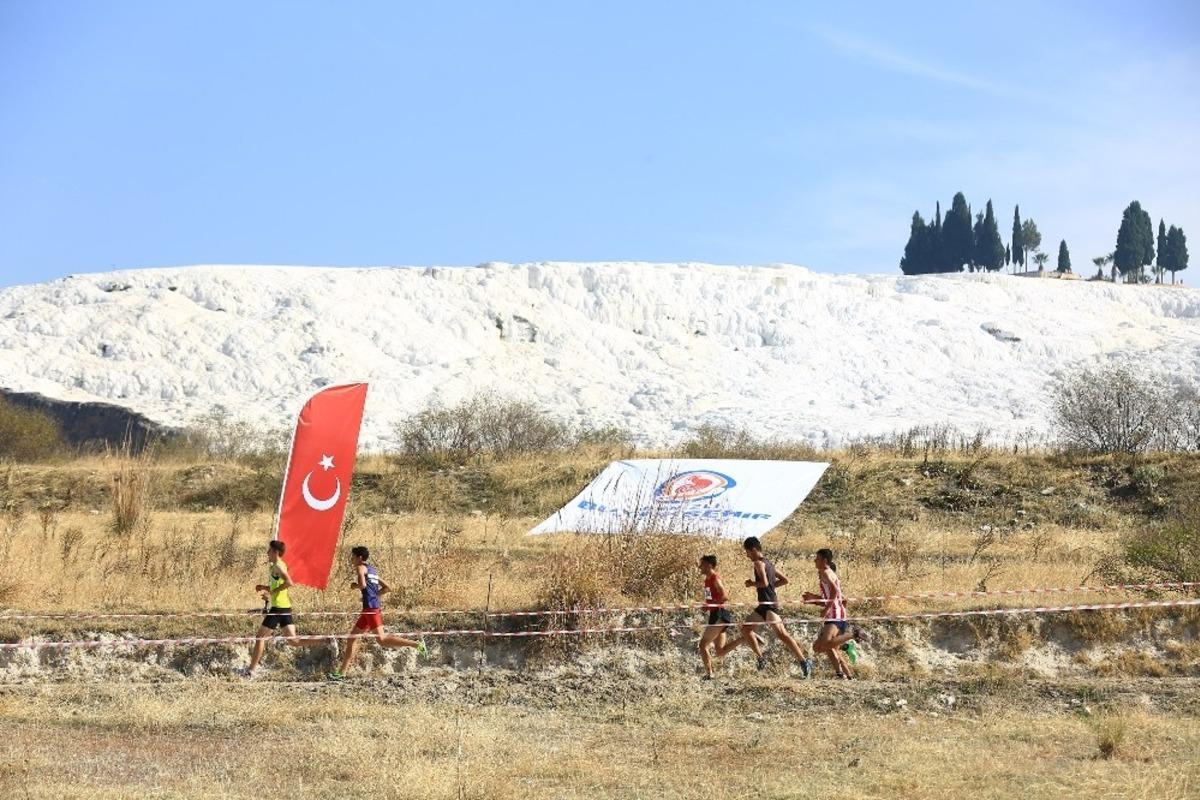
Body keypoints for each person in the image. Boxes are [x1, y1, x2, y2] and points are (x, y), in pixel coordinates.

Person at [716, 536, 812, 677]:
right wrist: (771, 587)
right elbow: (785, 580)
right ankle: (761, 658)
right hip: (763, 605)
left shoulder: (758, 564)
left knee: (782, 635)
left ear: (753, 550)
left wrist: (751, 584)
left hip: (769, 605)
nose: (747, 555)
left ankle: (804, 661)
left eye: (747, 552)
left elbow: (765, 583)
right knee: (746, 629)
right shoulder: (769, 564)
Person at [328, 546, 427, 680]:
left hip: (371, 610)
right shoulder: (372, 570)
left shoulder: (360, 568)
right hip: (368, 610)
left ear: (359, 558)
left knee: (382, 639)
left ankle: (416, 644)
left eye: (353, 557)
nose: (351, 559)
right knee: (351, 639)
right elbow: (388, 588)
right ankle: (341, 673)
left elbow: (363, 585)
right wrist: (373, 595)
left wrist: (354, 586)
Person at [242, 539, 333, 678]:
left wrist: (270, 593)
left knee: (260, 637)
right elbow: (279, 585)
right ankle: (326, 640)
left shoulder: (278, 566)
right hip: (284, 607)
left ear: (276, 552)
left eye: (269, 550)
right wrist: (264, 587)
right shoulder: (278, 565)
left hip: (278, 608)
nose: (267, 553)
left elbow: (289, 582)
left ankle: (251, 671)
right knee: (293, 641)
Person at [804, 547, 869, 679]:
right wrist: (813, 599)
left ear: (824, 560)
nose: (815, 561)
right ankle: (843, 674)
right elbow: (837, 597)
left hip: (834, 615)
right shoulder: (830, 574)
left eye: (817, 558)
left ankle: (854, 635)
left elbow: (833, 592)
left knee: (826, 644)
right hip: (837, 614)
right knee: (819, 647)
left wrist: (827, 608)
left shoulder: (826, 573)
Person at [697, 555, 734, 679]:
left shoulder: (714, 578)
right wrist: (707, 605)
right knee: (720, 651)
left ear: (709, 565)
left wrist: (710, 605)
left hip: (719, 614)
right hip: (715, 614)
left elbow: (725, 596)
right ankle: (745, 639)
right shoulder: (707, 580)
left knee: (703, 645)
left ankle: (709, 673)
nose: (699, 567)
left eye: (701, 564)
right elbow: (712, 598)